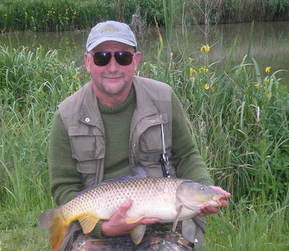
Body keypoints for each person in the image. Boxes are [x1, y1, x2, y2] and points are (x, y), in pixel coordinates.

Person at [48, 20, 230, 251]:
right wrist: (103, 229)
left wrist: (206, 189)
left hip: (166, 224)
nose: (112, 66)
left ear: (136, 60)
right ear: (87, 62)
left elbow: (187, 155)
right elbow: (64, 187)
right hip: (99, 223)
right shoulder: (66, 115)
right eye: (101, 57)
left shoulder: (163, 98)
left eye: (122, 57)